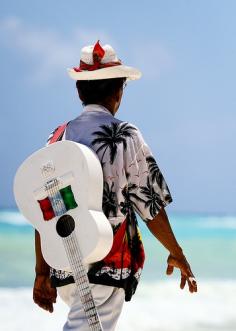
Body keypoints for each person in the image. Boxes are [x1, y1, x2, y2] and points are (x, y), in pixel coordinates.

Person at [33, 40, 197, 331]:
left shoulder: (56, 137)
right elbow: (151, 205)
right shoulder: (125, 136)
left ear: (79, 91)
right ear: (119, 91)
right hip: (104, 264)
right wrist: (176, 251)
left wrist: (42, 272)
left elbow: (46, 210)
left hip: (64, 266)